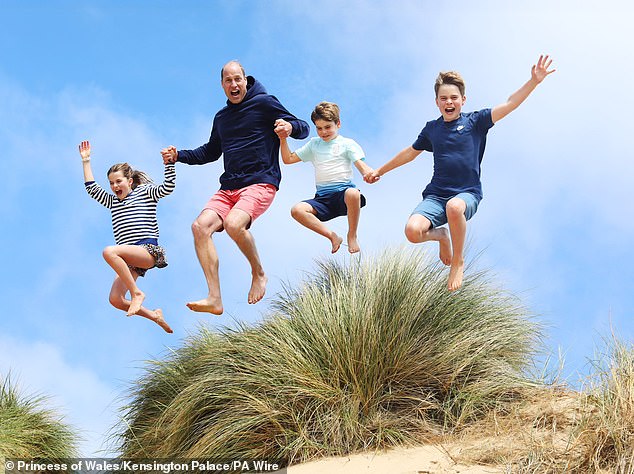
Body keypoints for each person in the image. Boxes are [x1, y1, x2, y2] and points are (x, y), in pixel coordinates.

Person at [365, 55, 556, 291]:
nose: (449, 102)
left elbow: (509, 103)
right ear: (436, 102)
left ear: (463, 100)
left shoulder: (476, 121)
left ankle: (458, 261)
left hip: (467, 193)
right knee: (412, 232)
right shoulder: (432, 129)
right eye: (443, 98)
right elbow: (409, 153)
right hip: (435, 196)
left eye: (454, 98)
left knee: (454, 207)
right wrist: (380, 171)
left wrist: (533, 82)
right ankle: (442, 236)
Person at [161, 60, 309, 314]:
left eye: (237, 79)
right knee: (199, 227)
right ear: (222, 85)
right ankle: (215, 298)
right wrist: (179, 156)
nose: (233, 84)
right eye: (228, 81)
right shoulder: (222, 118)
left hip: (260, 181)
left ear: (245, 79)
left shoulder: (264, 103)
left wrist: (289, 126)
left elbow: (303, 128)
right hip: (229, 187)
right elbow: (209, 152)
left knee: (233, 224)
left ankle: (258, 273)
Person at [79, 140, 175, 333]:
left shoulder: (144, 193)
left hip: (147, 251)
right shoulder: (112, 202)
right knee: (115, 299)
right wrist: (86, 161)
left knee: (109, 252)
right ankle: (155, 316)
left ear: (129, 181)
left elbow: (167, 188)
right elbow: (91, 188)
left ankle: (136, 293)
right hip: (130, 259)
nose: (115, 186)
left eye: (119, 181)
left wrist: (170, 164)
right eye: (111, 183)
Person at [279, 101, 373, 254]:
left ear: (338, 124)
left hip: (344, 196)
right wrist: (283, 139)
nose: (323, 132)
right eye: (319, 128)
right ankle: (332, 236)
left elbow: (361, 165)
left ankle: (352, 235)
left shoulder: (347, 144)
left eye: (327, 127)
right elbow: (288, 159)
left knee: (353, 193)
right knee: (297, 210)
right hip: (323, 199)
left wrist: (367, 173)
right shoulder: (314, 145)